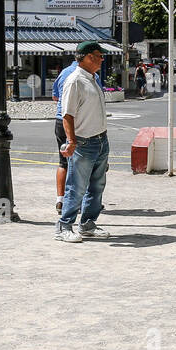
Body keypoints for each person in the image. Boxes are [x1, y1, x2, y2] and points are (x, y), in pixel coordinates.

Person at [56, 41, 111, 242]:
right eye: (99, 55)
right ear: (88, 57)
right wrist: (71, 141)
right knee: (76, 186)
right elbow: (67, 115)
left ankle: (88, 224)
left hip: (100, 139)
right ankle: (64, 226)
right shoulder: (75, 81)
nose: (102, 59)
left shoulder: (93, 78)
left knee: (97, 186)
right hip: (84, 142)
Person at [51, 56, 82, 215]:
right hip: (80, 122)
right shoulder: (90, 75)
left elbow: (55, 96)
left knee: (63, 162)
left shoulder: (63, 73)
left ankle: (60, 199)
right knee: (83, 163)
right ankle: (79, 200)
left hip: (60, 119)